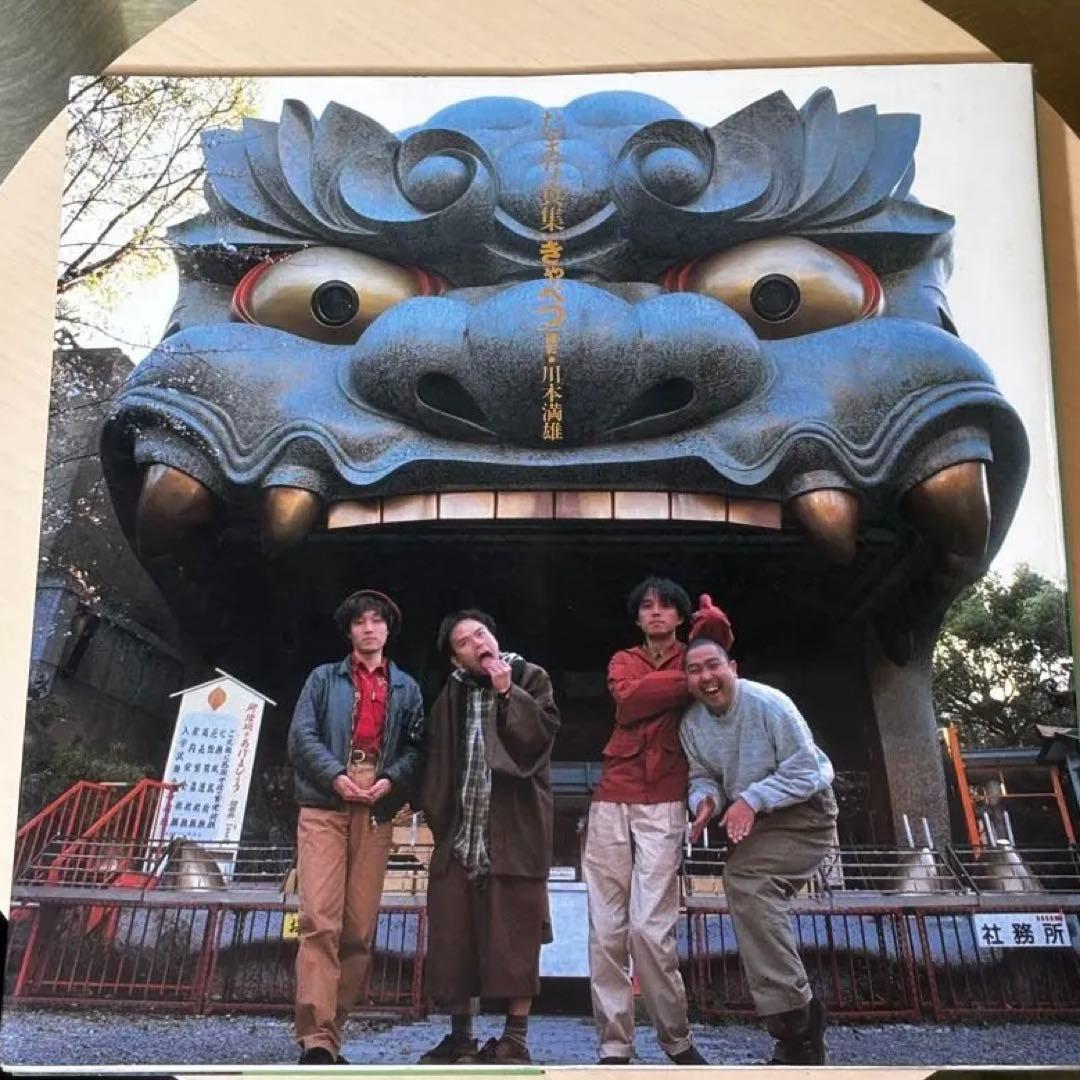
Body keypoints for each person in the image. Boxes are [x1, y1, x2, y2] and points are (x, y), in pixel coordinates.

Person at [583, 578, 731, 1065]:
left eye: (667, 606)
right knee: (606, 930)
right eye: (646, 606)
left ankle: (676, 1039)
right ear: (637, 617)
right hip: (612, 796)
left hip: (667, 796)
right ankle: (614, 1045)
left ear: (680, 616)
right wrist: (686, 684)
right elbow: (628, 703)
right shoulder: (624, 659)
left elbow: (717, 666)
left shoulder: (695, 656)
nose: (656, 613)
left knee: (650, 928)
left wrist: (701, 648)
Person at [680, 635, 837, 1066]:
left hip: (805, 812)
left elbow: (806, 771)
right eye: (694, 670)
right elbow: (702, 776)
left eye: (713, 666)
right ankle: (796, 1025)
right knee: (749, 888)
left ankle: (797, 1022)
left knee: (747, 882)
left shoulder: (771, 704)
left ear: (733, 668)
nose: (706, 677)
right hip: (758, 819)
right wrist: (704, 803)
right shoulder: (691, 724)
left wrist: (751, 799)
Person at [287, 589, 426, 1065]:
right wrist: (335, 775)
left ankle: (333, 1029)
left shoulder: (406, 687)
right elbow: (302, 735)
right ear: (349, 631)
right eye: (360, 622)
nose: (369, 628)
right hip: (326, 799)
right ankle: (316, 1037)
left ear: (388, 629)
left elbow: (416, 748)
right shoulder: (323, 678)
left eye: (377, 621)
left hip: (377, 802)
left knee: (359, 929)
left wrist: (391, 780)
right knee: (318, 920)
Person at [418, 609, 560, 1066]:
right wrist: (439, 818)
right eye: (464, 641)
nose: (477, 642)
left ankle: (514, 1039)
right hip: (462, 832)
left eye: (481, 633)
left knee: (517, 933)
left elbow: (539, 739)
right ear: (455, 659)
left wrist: (507, 692)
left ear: (494, 637)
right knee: (454, 935)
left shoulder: (531, 676)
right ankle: (461, 1037)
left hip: (515, 830)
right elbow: (437, 758)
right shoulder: (451, 693)